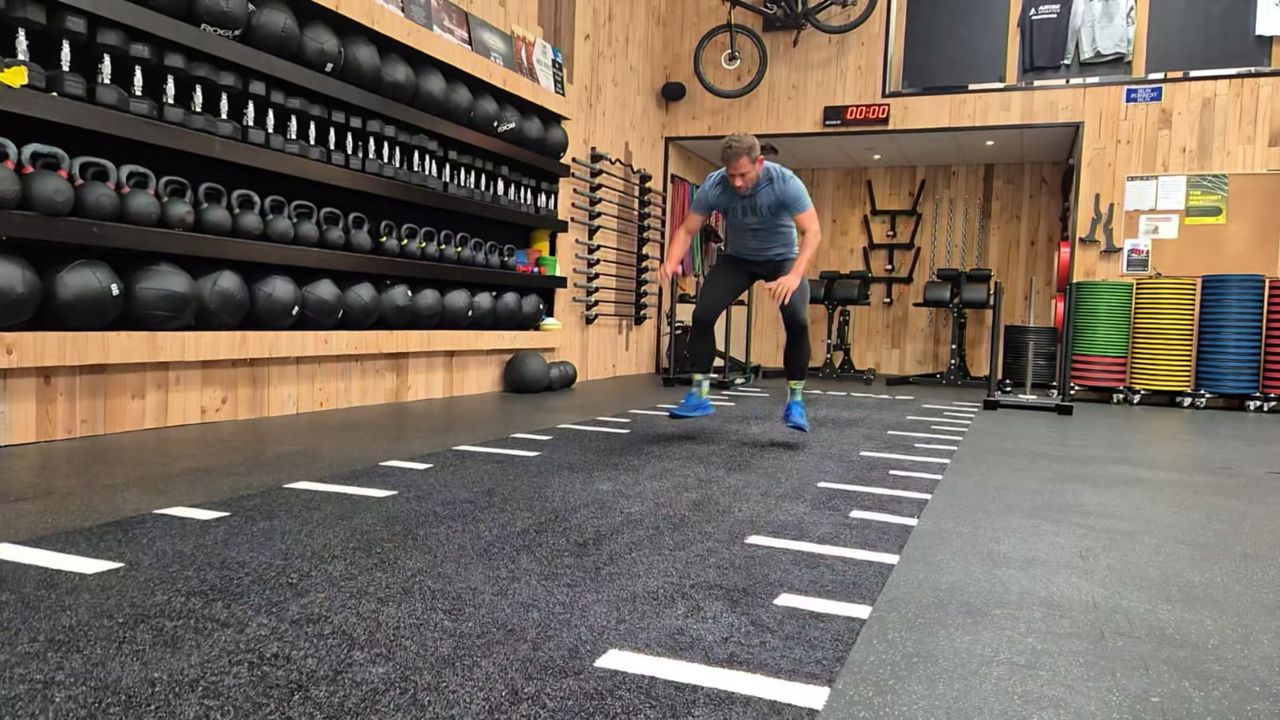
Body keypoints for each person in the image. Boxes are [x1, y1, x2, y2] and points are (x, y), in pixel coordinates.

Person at [660, 133, 822, 432]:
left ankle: (796, 400)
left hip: (782, 260)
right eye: (731, 175)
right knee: (703, 313)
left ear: (759, 162)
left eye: (743, 174)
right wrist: (671, 262)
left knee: (797, 320)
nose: (736, 182)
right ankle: (699, 394)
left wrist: (794, 275)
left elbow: (812, 232)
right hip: (738, 260)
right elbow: (687, 230)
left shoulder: (785, 183)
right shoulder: (715, 184)